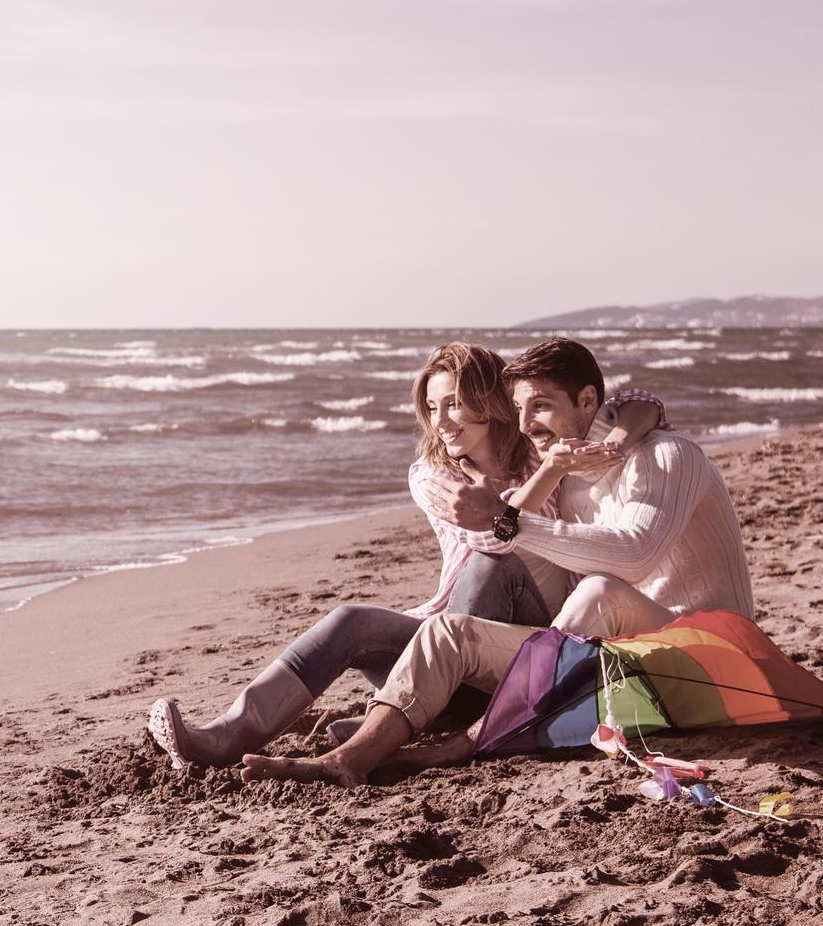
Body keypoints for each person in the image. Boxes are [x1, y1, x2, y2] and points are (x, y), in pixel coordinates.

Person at [244, 337, 754, 790]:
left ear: (588, 401)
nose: (527, 422)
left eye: (542, 406)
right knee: (447, 633)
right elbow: (631, 408)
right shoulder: (564, 467)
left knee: (597, 588)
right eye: (519, 408)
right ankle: (350, 759)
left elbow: (635, 553)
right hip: (617, 654)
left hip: (708, 653)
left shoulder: (669, 456)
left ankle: (468, 735)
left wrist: (508, 521)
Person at [145, 342, 659, 772]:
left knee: (495, 567)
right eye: (432, 408)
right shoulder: (434, 477)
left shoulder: (536, 445)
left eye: (455, 404)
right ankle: (230, 734)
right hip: (445, 639)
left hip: (521, 650)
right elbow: (498, 535)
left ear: (492, 400)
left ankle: (402, 725)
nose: (441, 422)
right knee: (351, 620)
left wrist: (608, 445)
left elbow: (643, 400)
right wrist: (552, 471)